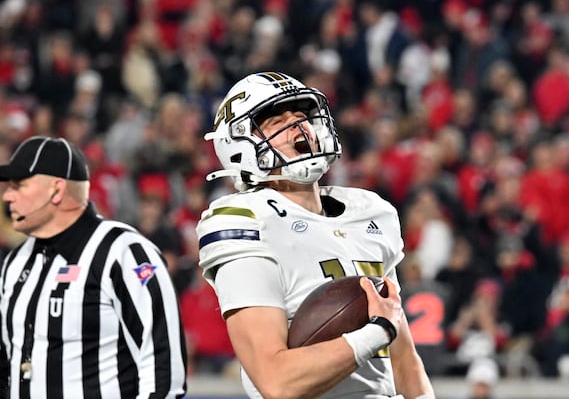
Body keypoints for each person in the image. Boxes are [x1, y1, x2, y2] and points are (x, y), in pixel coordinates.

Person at [196, 72, 435, 398]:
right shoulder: (246, 220)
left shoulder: (369, 211)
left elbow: (403, 359)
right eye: (275, 120)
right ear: (238, 143)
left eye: (301, 116)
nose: (297, 125)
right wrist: (375, 332)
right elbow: (276, 381)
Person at [0, 136, 187, 398]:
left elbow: (161, 365)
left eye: (19, 186)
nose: (8, 195)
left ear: (56, 190)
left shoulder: (124, 252)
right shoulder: (15, 261)